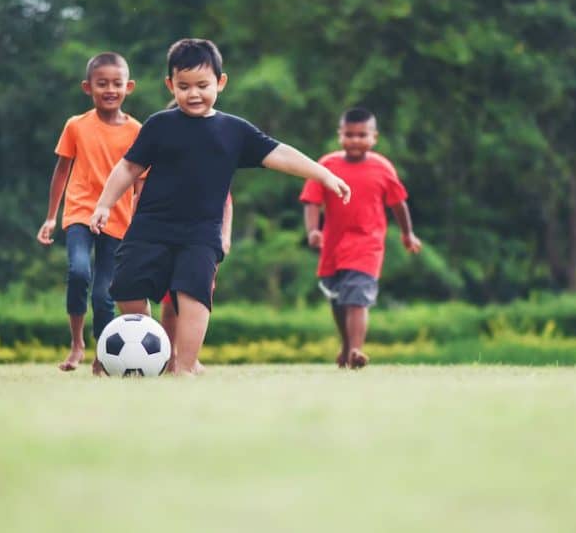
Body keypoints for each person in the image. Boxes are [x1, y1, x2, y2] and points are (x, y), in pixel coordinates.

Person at [89, 37, 350, 376]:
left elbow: (280, 154)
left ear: (220, 83)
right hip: (150, 226)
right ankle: (148, 353)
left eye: (202, 85)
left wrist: (324, 175)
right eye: (183, 86)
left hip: (200, 233)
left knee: (193, 293)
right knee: (127, 284)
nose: (193, 94)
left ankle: (184, 366)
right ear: (170, 85)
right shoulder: (159, 125)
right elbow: (128, 168)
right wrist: (104, 205)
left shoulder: (234, 131)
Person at [36, 52, 143, 371]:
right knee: (79, 271)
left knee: (104, 293)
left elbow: (140, 181)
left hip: (118, 219)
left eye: (116, 83)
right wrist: (51, 217)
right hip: (80, 212)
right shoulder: (76, 126)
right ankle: (76, 344)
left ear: (129, 87)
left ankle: (102, 355)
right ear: (87, 87)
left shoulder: (137, 131)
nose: (109, 89)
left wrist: (139, 222)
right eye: (102, 84)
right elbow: (61, 171)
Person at [299, 107, 422, 369]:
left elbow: (399, 204)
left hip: (368, 243)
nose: (355, 140)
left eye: (362, 135)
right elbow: (311, 200)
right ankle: (346, 345)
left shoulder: (382, 168)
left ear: (374, 137)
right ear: (339, 135)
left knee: (356, 297)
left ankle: (356, 351)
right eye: (350, 134)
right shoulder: (327, 165)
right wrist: (313, 230)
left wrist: (407, 233)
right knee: (337, 298)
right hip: (333, 244)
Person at [159, 192, 232, 375]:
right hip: (171, 238)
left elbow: (226, 203)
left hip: (204, 241)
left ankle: (190, 357)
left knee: (197, 299)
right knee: (169, 304)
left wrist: (225, 236)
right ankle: (170, 357)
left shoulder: (214, 168)